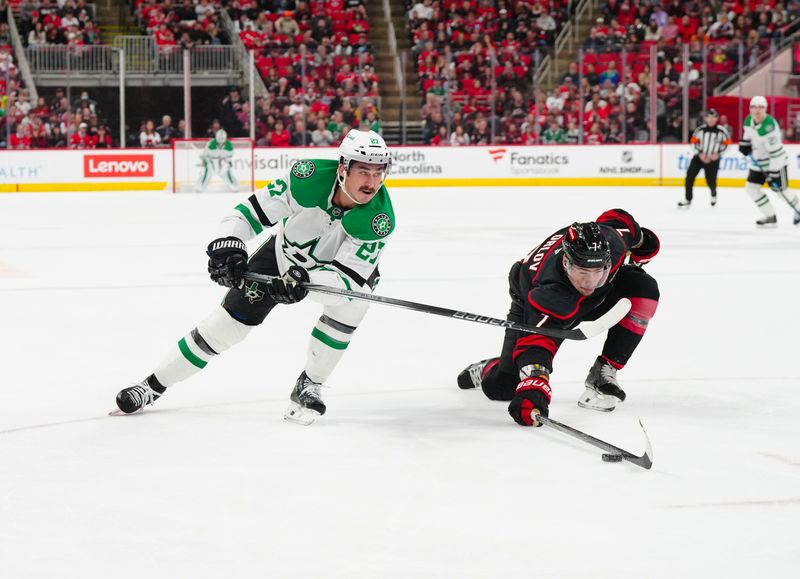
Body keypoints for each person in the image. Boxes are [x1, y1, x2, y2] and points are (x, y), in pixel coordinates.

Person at [115, 130, 395, 425]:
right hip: (280, 256)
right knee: (223, 328)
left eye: (379, 173)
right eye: (364, 171)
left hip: (334, 278)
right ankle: (151, 386)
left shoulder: (379, 220)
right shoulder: (307, 177)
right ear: (342, 169)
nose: (372, 183)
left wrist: (304, 284)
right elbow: (249, 213)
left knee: (351, 308)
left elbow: (345, 283)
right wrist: (230, 244)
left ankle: (311, 382)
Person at [457, 210, 660, 426]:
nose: (590, 282)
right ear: (566, 263)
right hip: (529, 297)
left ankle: (604, 371)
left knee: (643, 288)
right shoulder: (550, 292)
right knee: (503, 387)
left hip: (587, 299)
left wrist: (643, 246)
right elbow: (537, 343)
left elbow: (620, 219)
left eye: (599, 271)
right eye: (582, 272)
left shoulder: (614, 239)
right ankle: (491, 367)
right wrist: (535, 385)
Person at [738, 95, 800, 227]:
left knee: (781, 190)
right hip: (758, 163)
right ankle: (770, 216)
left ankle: (799, 209)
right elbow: (747, 136)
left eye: (761, 107)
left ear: (765, 109)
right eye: (754, 107)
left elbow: (776, 152)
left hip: (776, 163)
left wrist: (773, 172)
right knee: (751, 188)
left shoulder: (769, 126)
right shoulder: (749, 120)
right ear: (750, 109)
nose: (757, 110)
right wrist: (744, 143)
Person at [679, 109, 730, 208]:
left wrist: (718, 154)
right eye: (709, 117)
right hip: (699, 158)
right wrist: (699, 153)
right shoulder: (700, 130)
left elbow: (727, 143)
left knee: (710, 180)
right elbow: (693, 142)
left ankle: (713, 194)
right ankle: (687, 199)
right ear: (705, 118)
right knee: (689, 177)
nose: (711, 119)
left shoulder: (721, 130)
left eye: (713, 117)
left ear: (717, 118)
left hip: (713, 160)